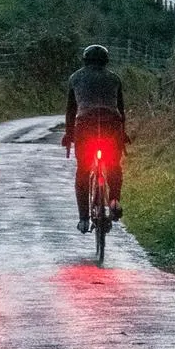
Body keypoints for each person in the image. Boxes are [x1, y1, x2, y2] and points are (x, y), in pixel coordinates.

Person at [61, 44, 128, 233]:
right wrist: (122, 133)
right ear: (105, 62)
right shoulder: (115, 79)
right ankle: (114, 200)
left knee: (83, 170)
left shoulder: (75, 78)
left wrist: (69, 133)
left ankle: (83, 218)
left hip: (85, 126)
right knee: (114, 165)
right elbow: (121, 110)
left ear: (85, 60)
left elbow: (71, 110)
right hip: (111, 125)